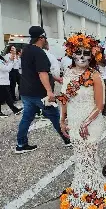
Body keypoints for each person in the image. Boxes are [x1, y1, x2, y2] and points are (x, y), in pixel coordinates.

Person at [57, 33, 106, 209]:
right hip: (74, 121)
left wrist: (86, 123)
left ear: (92, 55)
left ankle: (95, 191)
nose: (82, 57)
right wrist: (62, 120)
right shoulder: (68, 73)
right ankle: (81, 188)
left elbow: (100, 105)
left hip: (91, 123)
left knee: (89, 157)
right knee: (79, 157)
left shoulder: (95, 76)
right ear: (72, 53)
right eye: (78, 52)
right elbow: (64, 98)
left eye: (86, 53)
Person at [15, 26, 71, 154]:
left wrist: (56, 79)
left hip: (26, 92)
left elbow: (33, 70)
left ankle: (21, 144)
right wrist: (49, 91)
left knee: (27, 118)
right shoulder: (39, 52)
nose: (46, 40)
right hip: (39, 93)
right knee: (55, 116)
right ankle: (68, 139)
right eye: (45, 37)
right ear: (41, 38)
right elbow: (42, 73)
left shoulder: (26, 50)